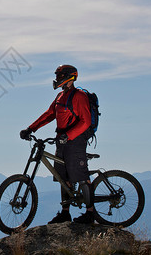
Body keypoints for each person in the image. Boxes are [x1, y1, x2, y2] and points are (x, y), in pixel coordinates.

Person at [20, 64, 95, 224]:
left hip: (76, 140)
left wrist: (69, 135)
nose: (57, 79)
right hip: (62, 139)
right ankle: (65, 213)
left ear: (70, 77)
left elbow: (86, 121)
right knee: (62, 176)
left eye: (60, 76)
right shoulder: (60, 97)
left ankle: (90, 213)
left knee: (81, 175)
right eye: (57, 76)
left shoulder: (79, 96)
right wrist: (30, 129)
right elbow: (49, 115)